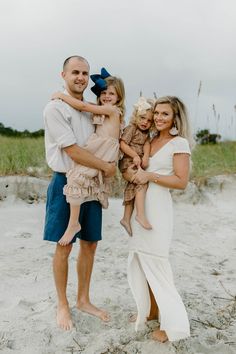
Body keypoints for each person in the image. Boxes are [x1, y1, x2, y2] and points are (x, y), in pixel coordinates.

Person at [43, 56, 117, 331]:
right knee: (64, 245)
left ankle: (83, 299)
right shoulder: (55, 108)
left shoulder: (92, 109)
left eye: (85, 73)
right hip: (67, 182)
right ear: (63, 74)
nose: (81, 77)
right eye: (75, 72)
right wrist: (107, 168)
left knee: (90, 243)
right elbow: (72, 150)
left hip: (93, 184)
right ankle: (63, 305)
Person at [127, 96, 193, 342]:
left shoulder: (179, 143)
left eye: (165, 114)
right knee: (143, 262)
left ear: (175, 117)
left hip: (159, 208)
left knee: (157, 262)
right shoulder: (151, 140)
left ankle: (172, 325)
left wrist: (149, 176)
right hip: (141, 207)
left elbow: (181, 181)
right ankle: (151, 311)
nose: (158, 117)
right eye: (157, 113)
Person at [51, 69, 125, 246]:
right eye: (104, 93)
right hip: (99, 148)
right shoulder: (103, 110)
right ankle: (75, 222)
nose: (107, 96)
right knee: (82, 179)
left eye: (111, 93)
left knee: (77, 178)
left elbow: (83, 107)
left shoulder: (112, 110)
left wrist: (62, 96)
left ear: (119, 96)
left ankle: (73, 223)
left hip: (103, 150)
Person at [119, 97, 154, 236]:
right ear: (136, 116)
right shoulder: (131, 128)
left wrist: (145, 156)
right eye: (142, 118)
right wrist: (135, 155)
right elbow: (122, 143)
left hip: (137, 163)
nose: (145, 122)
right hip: (128, 164)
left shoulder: (146, 134)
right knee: (142, 184)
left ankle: (126, 219)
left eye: (149, 120)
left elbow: (147, 145)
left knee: (132, 188)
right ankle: (140, 215)